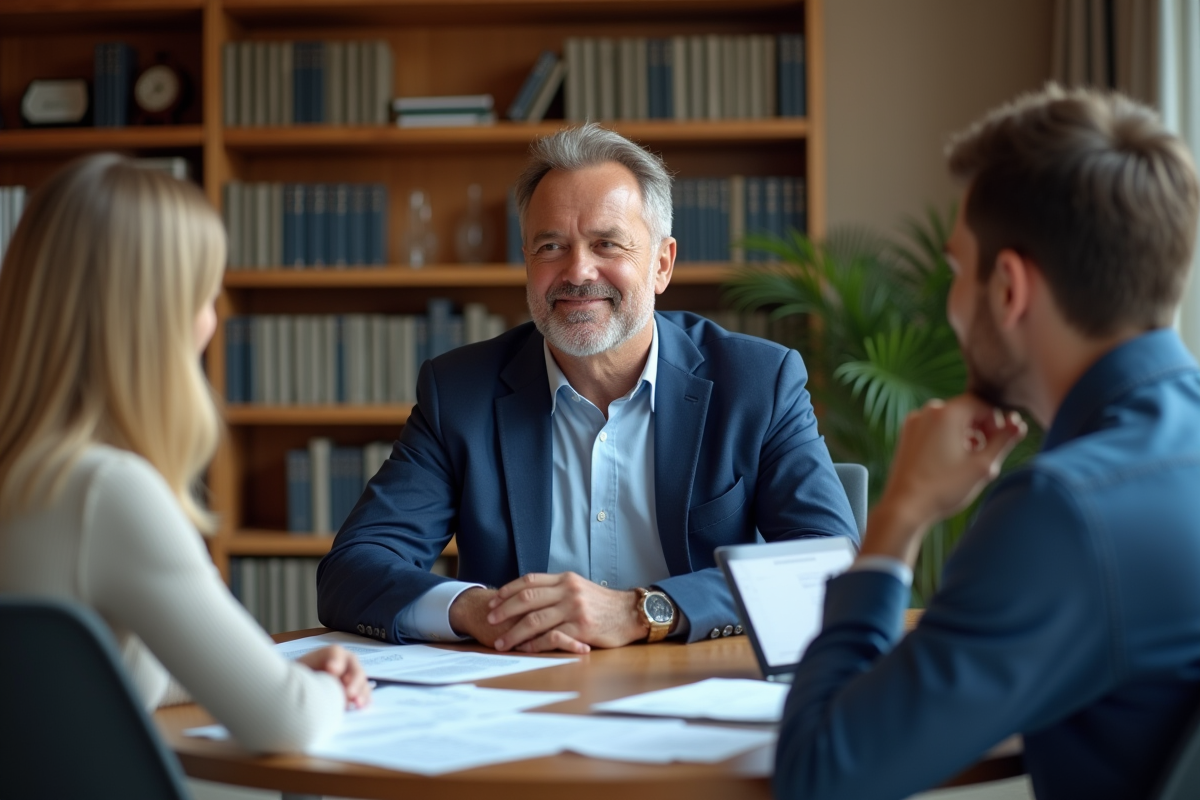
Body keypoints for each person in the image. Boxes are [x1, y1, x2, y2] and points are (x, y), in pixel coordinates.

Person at [773, 85, 1200, 800]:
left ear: (1007, 288)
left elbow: (822, 775)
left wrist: (897, 519)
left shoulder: (1064, 513)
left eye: (955, 270)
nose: (950, 301)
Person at [318, 124, 858, 653]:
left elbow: (827, 567)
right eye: (550, 246)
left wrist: (641, 611)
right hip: (521, 702)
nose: (578, 271)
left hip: (696, 686)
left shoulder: (757, 382)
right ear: (526, 263)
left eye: (607, 244)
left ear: (662, 264)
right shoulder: (460, 392)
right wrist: (475, 609)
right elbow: (353, 569)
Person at [0, 154, 370, 754]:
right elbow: (289, 724)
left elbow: (97, 678)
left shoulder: (27, 474)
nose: (211, 322)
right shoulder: (107, 490)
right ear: (150, 320)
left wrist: (271, 674)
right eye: (202, 295)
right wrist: (323, 689)